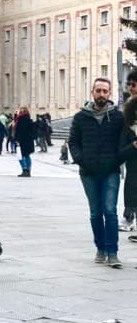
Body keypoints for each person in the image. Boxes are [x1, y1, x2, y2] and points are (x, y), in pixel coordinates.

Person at [68, 77, 124, 267]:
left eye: (105, 91)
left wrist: (117, 160)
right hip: (88, 172)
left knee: (110, 211)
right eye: (98, 91)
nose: (101, 94)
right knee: (95, 213)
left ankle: (113, 252)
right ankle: (100, 248)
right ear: (92, 92)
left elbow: (123, 143)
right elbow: (73, 142)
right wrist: (80, 159)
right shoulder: (80, 117)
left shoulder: (117, 117)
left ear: (110, 94)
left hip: (110, 171)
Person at [119, 70, 137, 231]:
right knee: (131, 184)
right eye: (129, 84)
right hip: (133, 151)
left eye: (134, 84)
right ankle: (128, 217)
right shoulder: (129, 104)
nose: (131, 88)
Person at [13, 106, 35, 177]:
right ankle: (28, 170)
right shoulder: (29, 120)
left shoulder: (20, 120)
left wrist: (17, 140)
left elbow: (19, 132)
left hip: (22, 141)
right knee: (27, 155)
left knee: (20, 156)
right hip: (28, 141)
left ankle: (24, 170)